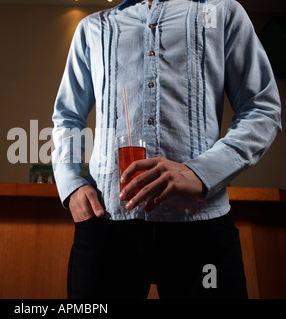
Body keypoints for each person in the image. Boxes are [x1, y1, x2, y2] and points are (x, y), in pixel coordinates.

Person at [51, 0, 282, 299]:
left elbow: (262, 109)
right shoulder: (92, 28)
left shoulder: (222, 13)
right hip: (106, 226)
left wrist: (199, 173)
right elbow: (68, 116)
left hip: (201, 228)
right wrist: (71, 186)